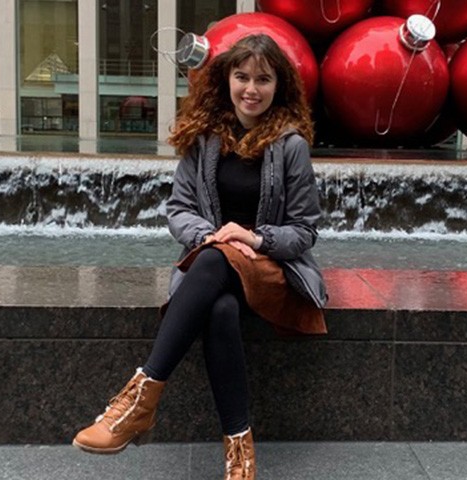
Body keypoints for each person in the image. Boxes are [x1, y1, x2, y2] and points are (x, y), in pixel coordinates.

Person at [72, 33, 328, 480]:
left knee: (215, 258)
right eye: (242, 76)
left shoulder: (290, 146)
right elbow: (179, 211)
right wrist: (210, 236)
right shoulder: (205, 138)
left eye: (263, 79)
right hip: (213, 269)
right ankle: (239, 452)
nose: (251, 88)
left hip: (271, 269)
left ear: (278, 86)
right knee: (220, 309)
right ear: (226, 78)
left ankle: (140, 400)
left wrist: (253, 239)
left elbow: (304, 231)